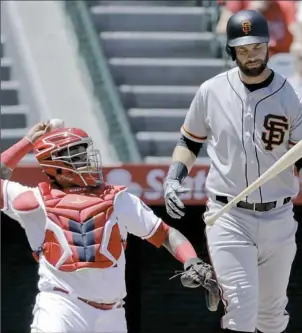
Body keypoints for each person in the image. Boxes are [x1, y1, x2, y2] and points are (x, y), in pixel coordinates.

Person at [163, 9, 302, 333]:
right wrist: (174, 176)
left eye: (256, 47)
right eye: (243, 48)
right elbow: (189, 140)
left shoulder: (293, 96)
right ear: (232, 50)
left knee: (271, 316)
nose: (251, 54)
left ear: (268, 46)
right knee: (240, 311)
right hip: (229, 215)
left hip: (278, 216)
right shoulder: (211, 91)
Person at [0, 121, 220, 333]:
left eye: (85, 153)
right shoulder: (34, 200)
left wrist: (192, 261)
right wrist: (28, 142)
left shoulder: (117, 198)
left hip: (112, 314)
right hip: (61, 306)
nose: (86, 160)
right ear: (54, 166)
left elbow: (164, 233)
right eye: (76, 156)